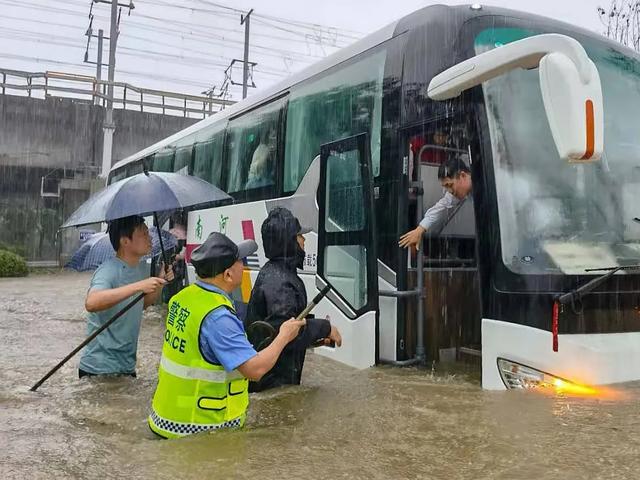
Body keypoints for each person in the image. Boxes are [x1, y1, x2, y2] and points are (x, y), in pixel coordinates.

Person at [147, 232, 305, 438]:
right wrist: (284, 335)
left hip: (164, 419)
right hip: (198, 431)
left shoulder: (183, 297)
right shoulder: (218, 317)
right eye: (240, 261)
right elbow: (255, 370)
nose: (244, 265)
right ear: (228, 275)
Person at [245, 207, 342, 392]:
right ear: (289, 241)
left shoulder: (276, 273)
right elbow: (284, 333)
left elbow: (288, 329)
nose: (304, 240)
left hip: (273, 381)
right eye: (299, 236)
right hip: (272, 385)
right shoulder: (280, 283)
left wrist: (316, 338)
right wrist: (325, 328)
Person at [79, 215, 174, 378]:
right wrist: (138, 286)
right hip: (100, 370)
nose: (149, 237)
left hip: (125, 366)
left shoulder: (138, 268)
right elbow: (92, 302)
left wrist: (161, 281)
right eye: (143, 233)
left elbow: (140, 304)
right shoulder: (108, 270)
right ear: (125, 241)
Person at [399, 157, 472, 250]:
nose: (449, 191)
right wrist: (419, 230)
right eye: (445, 187)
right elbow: (439, 208)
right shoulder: (453, 195)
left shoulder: (487, 178)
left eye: (450, 185)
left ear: (462, 176)